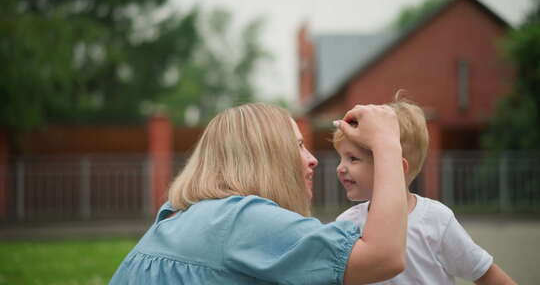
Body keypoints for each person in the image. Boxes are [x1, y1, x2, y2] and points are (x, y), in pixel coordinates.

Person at [110, 102, 408, 285]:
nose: (312, 159)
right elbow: (383, 257)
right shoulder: (240, 220)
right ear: (265, 156)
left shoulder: (179, 216)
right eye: (298, 146)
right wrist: (386, 144)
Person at [334, 97, 516, 285]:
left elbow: (483, 272)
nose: (340, 168)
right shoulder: (345, 224)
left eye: (353, 159)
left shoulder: (436, 220)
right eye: (341, 158)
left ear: (395, 166)